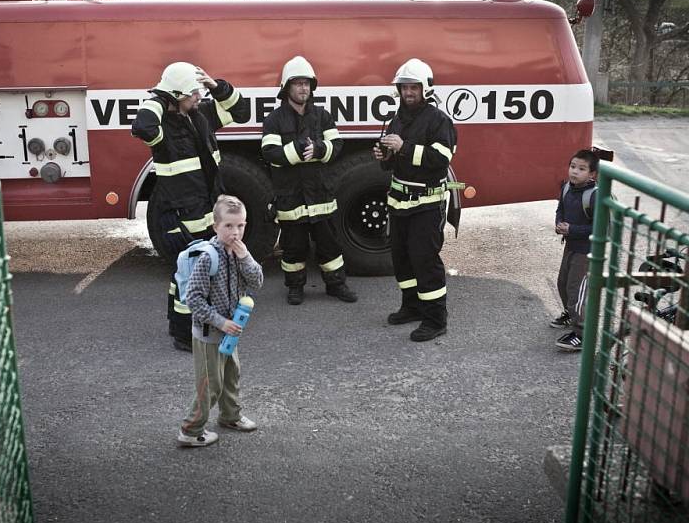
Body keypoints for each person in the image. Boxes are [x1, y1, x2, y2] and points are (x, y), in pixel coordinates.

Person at [131, 62, 248, 352]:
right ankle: (185, 335)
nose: (198, 97)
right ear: (176, 95)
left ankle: (182, 324)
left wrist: (216, 87)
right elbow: (142, 126)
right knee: (190, 273)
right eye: (192, 92)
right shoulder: (160, 128)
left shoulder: (201, 115)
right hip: (180, 214)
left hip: (207, 207)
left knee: (189, 272)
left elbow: (241, 112)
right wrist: (160, 98)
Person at [261, 56, 357, 305]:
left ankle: (336, 285)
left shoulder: (322, 116)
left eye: (307, 83)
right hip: (291, 195)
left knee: (330, 246)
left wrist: (319, 150)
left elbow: (337, 145)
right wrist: (295, 150)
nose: (303, 88)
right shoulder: (274, 120)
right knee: (294, 247)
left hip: (320, 195)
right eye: (298, 83)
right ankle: (295, 288)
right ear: (287, 88)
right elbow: (269, 153)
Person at [373, 58, 456, 342]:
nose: (408, 92)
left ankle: (435, 319)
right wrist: (385, 156)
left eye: (413, 87)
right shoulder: (397, 119)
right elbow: (393, 162)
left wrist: (404, 147)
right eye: (404, 87)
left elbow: (440, 160)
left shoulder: (439, 121)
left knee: (425, 261)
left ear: (426, 89)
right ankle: (411, 306)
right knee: (403, 259)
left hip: (427, 204)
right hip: (399, 203)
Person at [178, 195, 264, 447]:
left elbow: (257, 282)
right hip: (209, 333)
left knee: (231, 375)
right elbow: (193, 299)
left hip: (231, 329)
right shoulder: (208, 258)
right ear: (215, 226)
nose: (235, 232)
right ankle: (190, 431)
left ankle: (230, 416)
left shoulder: (238, 254)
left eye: (240, 226)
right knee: (210, 384)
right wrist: (220, 322)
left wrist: (246, 256)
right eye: (228, 226)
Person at [552, 149, 599, 352]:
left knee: (576, 290)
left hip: (587, 250)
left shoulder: (595, 195)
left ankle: (582, 333)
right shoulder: (566, 188)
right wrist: (559, 223)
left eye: (581, 169)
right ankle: (571, 315)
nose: (574, 172)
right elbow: (560, 209)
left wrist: (573, 229)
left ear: (592, 174)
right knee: (562, 283)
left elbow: (601, 227)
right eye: (572, 166)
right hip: (571, 246)